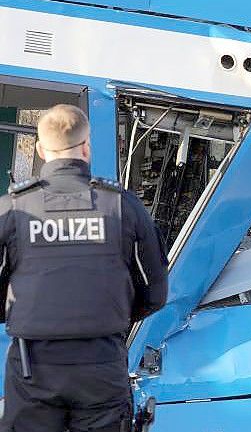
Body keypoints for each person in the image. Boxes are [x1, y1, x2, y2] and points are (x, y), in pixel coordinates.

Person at [0, 105, 168, 432]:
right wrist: (109, 315)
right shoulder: (123, 205)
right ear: (86, 147)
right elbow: (155, 291)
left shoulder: (13, 208)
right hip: (102, 362)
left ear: (39, 149)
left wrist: (21, 314)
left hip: (33, 364)